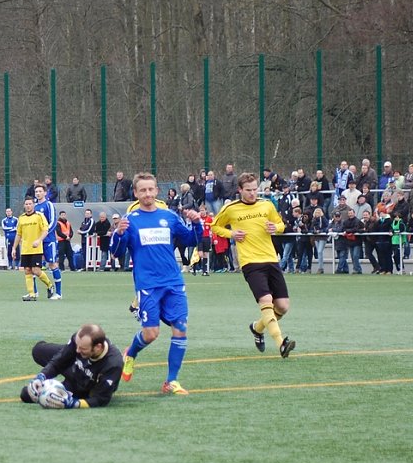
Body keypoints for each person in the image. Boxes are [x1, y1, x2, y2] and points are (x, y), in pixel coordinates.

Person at [110, 173, 201, 395]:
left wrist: (197, 224)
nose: (147, 194)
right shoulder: (130, 221)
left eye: (151, 189)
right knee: (151, 334)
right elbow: (116, 252)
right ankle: (131, 353)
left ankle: (171, 381)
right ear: (136, 193)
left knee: (180, 329)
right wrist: (119, 234)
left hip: (173, 282)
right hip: (148, 285)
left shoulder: (169, 217)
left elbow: (191, 240)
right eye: (143, 190)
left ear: (157, 191)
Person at [211, 173, 295, 358]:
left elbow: (280, 223)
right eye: (248, 190)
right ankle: (281, 343)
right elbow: (215, 227)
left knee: (282, 306)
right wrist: (231, 234)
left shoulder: (266, 205)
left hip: (271, 259)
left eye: (255, 189)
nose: (252, 193)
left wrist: (276, 228)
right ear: (239, 190)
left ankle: (257, 328)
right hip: (250, 262)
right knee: (266, 301)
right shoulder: (231, 209)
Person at [21, 324, 123, 408]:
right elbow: (58, 362)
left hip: (81, 384)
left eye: (82, 348)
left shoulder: (113, 364)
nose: (77, 350)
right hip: (73, 365)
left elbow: (100, 399)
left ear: (98, 347)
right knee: (38, 350)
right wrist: (40, 377)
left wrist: (74, 403)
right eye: (77, 345)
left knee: (26, 395)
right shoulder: (78, 343)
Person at [11, 198, 54, 301]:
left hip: (36, 249)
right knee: (27, 270)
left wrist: (39, 240)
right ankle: (31, 294)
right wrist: (14, 248)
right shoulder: (21, 218)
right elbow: (18, 234)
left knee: (36, 270)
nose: (28, 206)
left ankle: (49, 285)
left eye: (30, 204)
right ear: (24, 206)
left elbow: (45, 230)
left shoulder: (39, 216)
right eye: (26, 204)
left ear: (33, 205)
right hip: (25, 249)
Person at [34, 184, 62, 299]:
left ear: (45, 193)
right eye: (36, 191)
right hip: (37, 241)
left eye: (40, 191)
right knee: (33, 266)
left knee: (52, 264)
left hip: (48, 240)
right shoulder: (34, 207)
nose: (38, 193)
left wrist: (44, 234)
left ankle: (59, 293)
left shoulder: (48, 205)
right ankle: (34, 292)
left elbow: (53, 222)